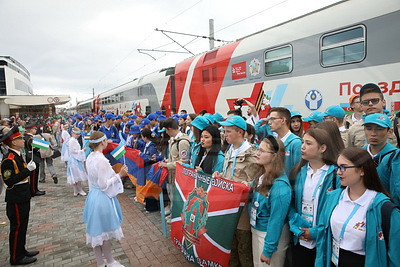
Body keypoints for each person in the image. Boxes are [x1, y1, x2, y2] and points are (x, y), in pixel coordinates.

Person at [315, 147, 400, 266]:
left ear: (362, 170)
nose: (338, 172)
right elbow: (322, 235)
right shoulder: (333, 197)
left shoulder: (384, 209)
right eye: (338, 167)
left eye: (343, 167)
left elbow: (395, 256)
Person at [214, 115, 263, 267]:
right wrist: (220, 176)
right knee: (231, 247)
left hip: (243, 211)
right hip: (228, 208)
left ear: (240, 132)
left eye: (228, 131)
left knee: (244, 249)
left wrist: (245, 184)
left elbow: (258, 181)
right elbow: (230, 174)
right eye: (224, 131)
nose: (225, 134)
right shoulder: (230, 149)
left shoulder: (253, 154)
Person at [288, 128, 341, 267]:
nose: (303, 146)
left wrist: (317, 232)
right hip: (300, 238)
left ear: (322, 148)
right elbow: (291, 203)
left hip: (323, 241)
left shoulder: (336, 175)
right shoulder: (298, 172)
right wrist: (296, 226)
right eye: (303, 142)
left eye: (308, 143)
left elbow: (338, 210)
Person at [82, 131, 127, 267]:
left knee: (96, 232)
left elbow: (92, 180)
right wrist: (119, 174)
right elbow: (103, 185)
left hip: (93, 197)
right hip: (102, 198)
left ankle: (101, 262)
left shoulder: (90, 156)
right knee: (104, 232)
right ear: (102, 142)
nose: (107, 141)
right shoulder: (101, 160)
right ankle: (110, 261)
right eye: (106, 140)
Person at [249, 136, 291, 266]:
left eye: (262, 151)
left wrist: (268, 250)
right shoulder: (261, 175)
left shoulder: (280, 186)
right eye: (258, 149)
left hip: (268, 236)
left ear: (274, 156)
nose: (257, 153)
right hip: (257, 230)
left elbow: (276, 220)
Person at [0, 126, 39, 265]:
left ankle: (21, 251)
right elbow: (9, 181)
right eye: (20, 139)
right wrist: (27, 171)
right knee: (17, 228)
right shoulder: (9, 159)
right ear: (13, 142)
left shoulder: (17, 154)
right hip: (16, 197)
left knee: (23, 226)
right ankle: (16, 257)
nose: (23, 140)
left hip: (23, 195)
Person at [347, 83, 397, 148]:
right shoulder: (354, 129)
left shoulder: (395, 124)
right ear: (361, 105)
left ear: (383, 102)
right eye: (365, 102)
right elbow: (350, 155)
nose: (370, 104)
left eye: (375, 100)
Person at [268, 107, 302, 178]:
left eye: (272, 119)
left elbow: (298, 173)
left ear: (283, 120)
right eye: (269, 119)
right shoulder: (273, 142)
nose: (269, 122)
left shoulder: (296, 143)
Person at [24, 121, 45, 196]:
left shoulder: (29, 137)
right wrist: (42, 143)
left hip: (33, 157)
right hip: (33, 158)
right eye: (35, 129)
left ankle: (35, 189)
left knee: (35, 175)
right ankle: (33, 190)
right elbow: (35, 148)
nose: (36, 130)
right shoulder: (29, 138)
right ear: (31, 130)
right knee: (33, 176)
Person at [67, 127, 88, 196]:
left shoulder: (74, 140)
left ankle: (77, 190)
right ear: (72, 133)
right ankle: (78, 190)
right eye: (76, 134)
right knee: (76, 175)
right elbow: (73, 151)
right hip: (74, 159)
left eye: (78, 134)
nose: (77, 135)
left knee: (76, 175)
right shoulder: (72, 140)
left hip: (75, 158)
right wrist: (82, 151)